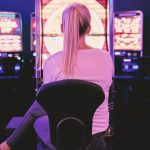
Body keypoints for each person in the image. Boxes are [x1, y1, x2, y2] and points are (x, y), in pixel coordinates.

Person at [0, 2, 114, 150]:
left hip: (62, 134)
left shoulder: (52, 62)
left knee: (37, 111)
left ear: (62, 29)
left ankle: (11, 144)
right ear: (89, 29)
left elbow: (47, 106)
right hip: (97, 134)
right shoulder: (105, 58)